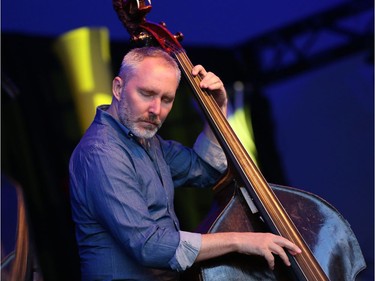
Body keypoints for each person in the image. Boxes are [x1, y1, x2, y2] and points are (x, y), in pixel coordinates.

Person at [69, 46, 301, 281]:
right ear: (118, 88)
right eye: (146, 94)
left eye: (166, 99)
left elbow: (207, 170)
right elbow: (149, 246)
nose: (156, 110)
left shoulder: (148, 142)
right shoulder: (101, 153)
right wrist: (239, 240)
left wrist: (216, 110)